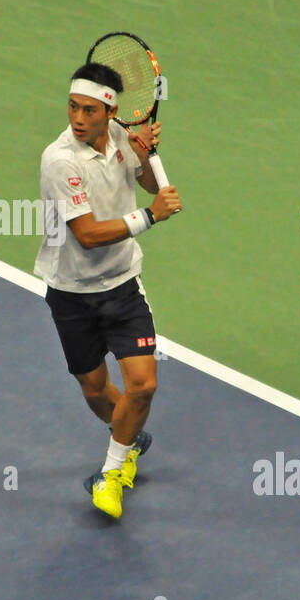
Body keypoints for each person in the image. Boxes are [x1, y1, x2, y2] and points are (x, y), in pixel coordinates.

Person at [34, 61, 182, 519]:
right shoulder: (59, 160)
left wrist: (145, 156)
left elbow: (148, 184)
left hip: (122, 288)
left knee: (143, 385)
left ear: (109, 111)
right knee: (98, 391)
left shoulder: (120, 135)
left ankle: (111, 473)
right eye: (72, 108)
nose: (77, 119)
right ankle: (129, 438)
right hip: (72, 291)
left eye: (88, 111)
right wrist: (151, 215)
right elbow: (89, 235)